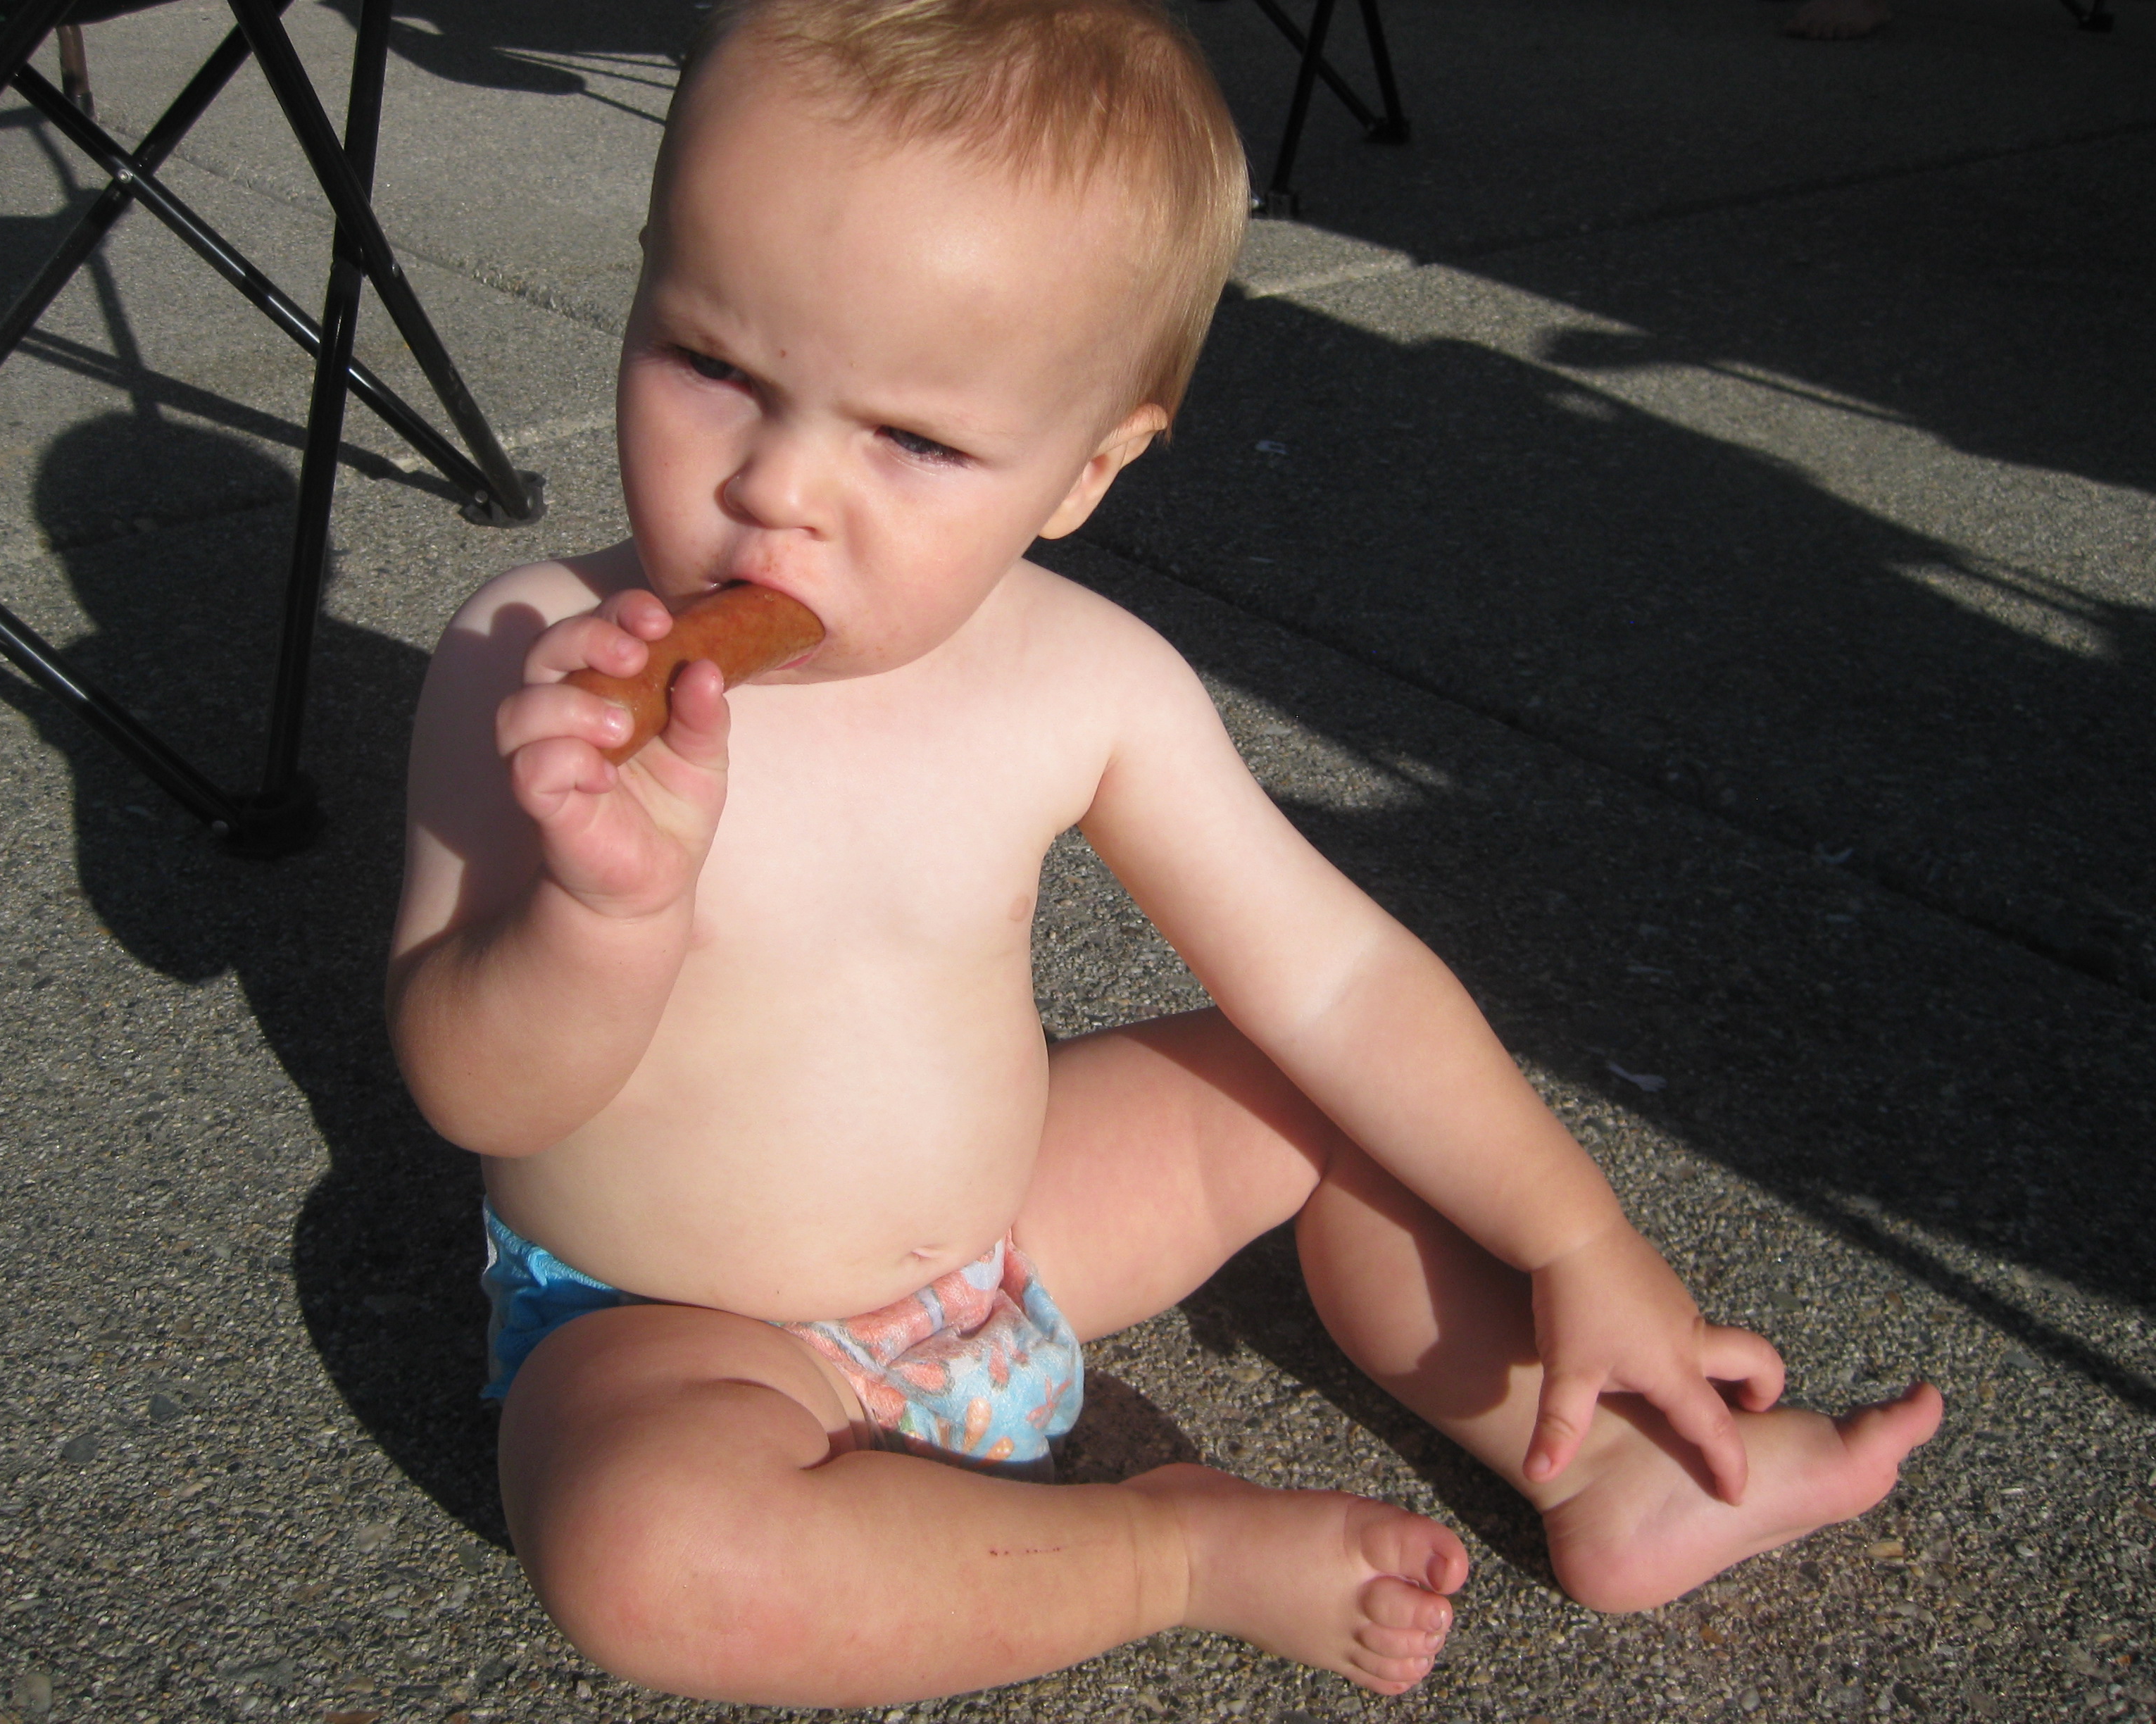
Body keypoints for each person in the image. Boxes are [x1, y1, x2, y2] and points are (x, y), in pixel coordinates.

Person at [386, 0, 1943, 1706]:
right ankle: (1171, 1549)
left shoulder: (1084, 680)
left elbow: (1336, 977)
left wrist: (1578, 1238)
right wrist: (606, 912)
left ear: (1088, 467)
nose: (779, 492)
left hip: (1015, 1226)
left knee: (1333, 1092)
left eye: (913, 439)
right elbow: (478, 1091)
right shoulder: (537, 662)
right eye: (714, 366)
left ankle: (1601, 1461)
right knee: (647, 1557)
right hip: (675, 1322)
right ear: (641, 285)